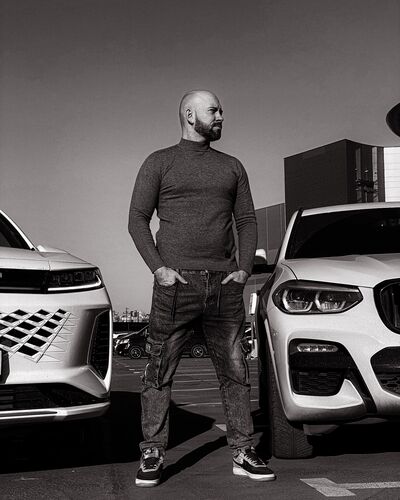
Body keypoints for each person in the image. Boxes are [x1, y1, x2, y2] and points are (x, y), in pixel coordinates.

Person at [128, 90, 276, 487]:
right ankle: (152, 452)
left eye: (221, 109)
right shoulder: (159, 162)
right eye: (214, 110)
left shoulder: (232, 167)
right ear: (190, 115)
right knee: (158, 371)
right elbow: (137, 219)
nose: (222, 115)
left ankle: (243, 450)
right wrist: (159, 269)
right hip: (176, 285)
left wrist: (243, 270)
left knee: (235, 371)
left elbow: (246, 220)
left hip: (225, 286)